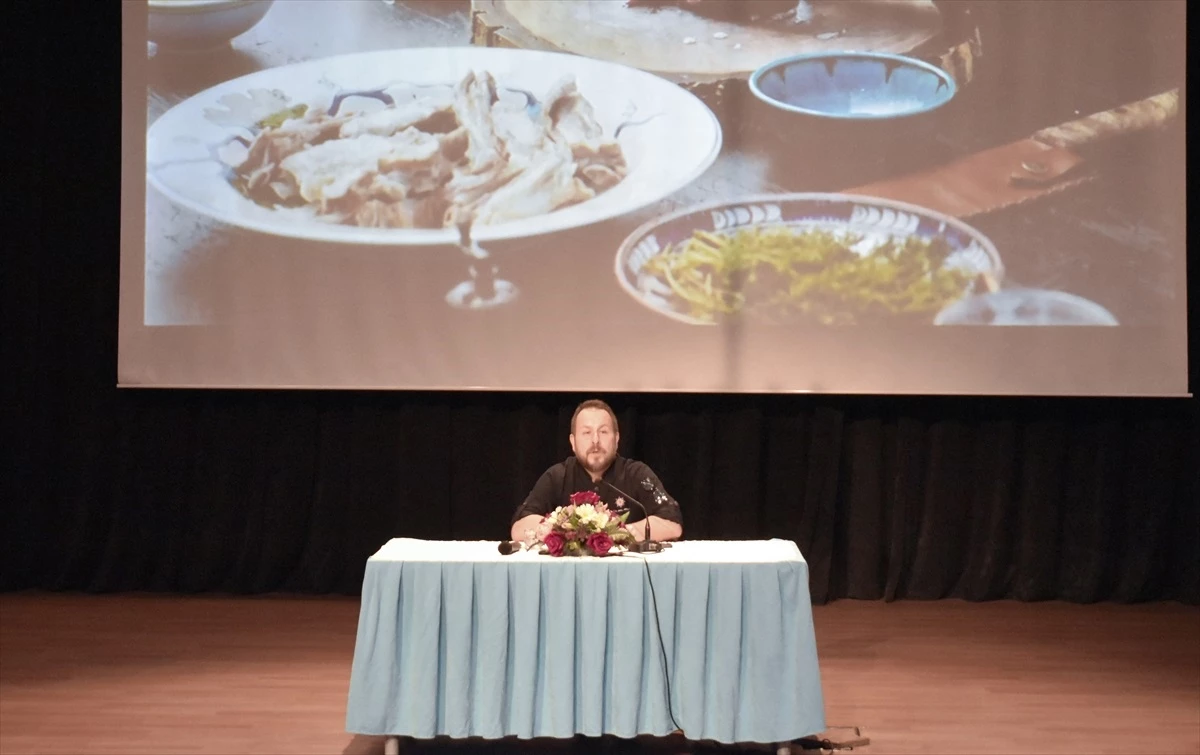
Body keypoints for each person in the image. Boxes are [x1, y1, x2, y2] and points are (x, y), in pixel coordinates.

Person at [510, 399, 683, 544]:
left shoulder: (637, 474)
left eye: (603, 432)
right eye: (586, 432)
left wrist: (617, 533)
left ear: (617, 439)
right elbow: (519, 528)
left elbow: (672, 523)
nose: (595, 440)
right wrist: (569, 533)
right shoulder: (557, 476)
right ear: (573, 442)